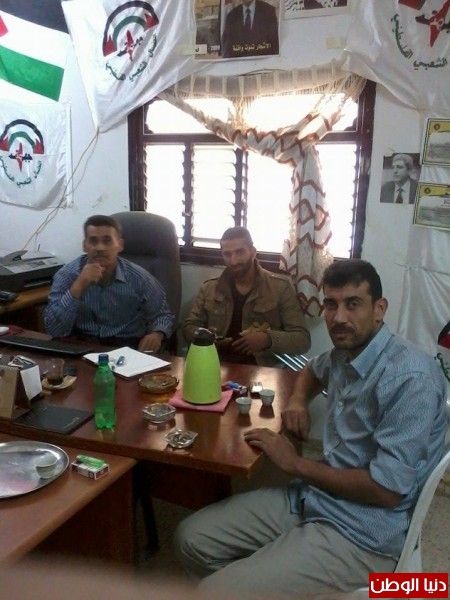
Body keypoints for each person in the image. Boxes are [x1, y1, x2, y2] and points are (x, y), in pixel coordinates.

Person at [175, 259, 448, 599]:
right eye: (331, 304)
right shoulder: (345, 352)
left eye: (353, 304)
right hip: (314, 498)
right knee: (190, 540)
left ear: (379, 309)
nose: (339, 317)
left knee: (212, 592)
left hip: (360, 533)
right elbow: (311, 371)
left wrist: (295, 464)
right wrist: (296, 402)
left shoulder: (410, 379)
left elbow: (386, 490)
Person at [182, 226, 310, 367]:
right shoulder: (209, 288)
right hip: (215, 364)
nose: (233, 260)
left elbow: (302, 340)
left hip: (262, 369)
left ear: (253, 252)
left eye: (240, 252)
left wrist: (267, 339)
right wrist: (206, 337)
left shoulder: (280, 287)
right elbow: (189, 326)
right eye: (227, 254)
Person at [44, 214, 174, 352]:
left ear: (120, 245)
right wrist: (78, 285)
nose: (100, 248)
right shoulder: (66, 275)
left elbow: (163, 315)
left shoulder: (139, 278)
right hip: (82, 347)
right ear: (84, 246)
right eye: (93, 241)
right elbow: (54, 330)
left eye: (107, 241)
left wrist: (157, 334)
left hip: (126, 348)